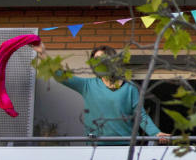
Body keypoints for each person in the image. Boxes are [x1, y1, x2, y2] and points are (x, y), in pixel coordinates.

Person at [31, 42, 170, 144]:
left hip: (125, 149)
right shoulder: (87, 85)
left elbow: (141, 116)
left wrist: (155, 133)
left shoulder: (130, 89)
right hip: (95, 149)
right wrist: (42, 53)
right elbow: (60, 75)